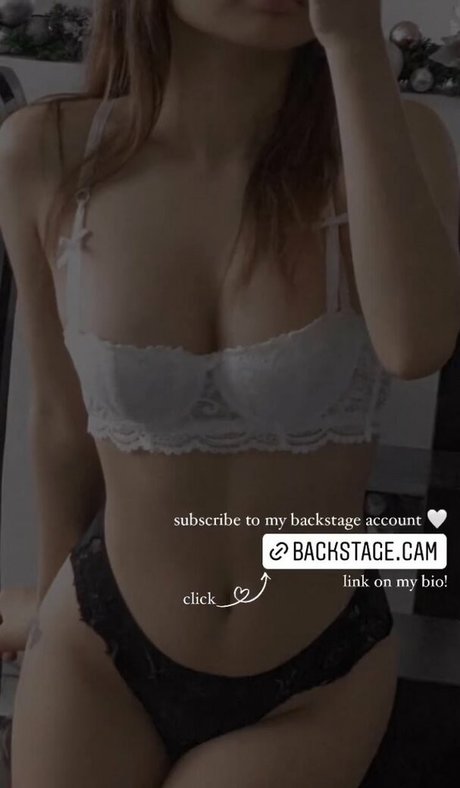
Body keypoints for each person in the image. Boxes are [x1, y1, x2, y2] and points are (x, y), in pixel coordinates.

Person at [0, 1, 459, 786]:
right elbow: (59, 418)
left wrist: (354, 44)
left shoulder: (399, 138)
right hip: (96, 647)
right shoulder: (47, 150)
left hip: (314, 677)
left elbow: (415, 346)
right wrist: (45, 615)